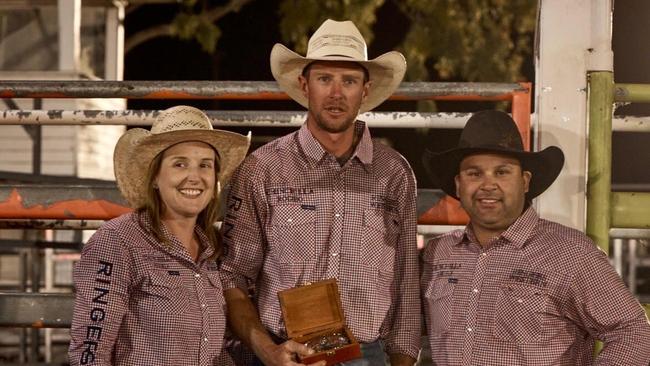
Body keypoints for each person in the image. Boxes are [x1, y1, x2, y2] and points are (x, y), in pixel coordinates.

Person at [220, 19, 420, 365]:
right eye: (325, 78)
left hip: (366, 354)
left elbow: (406, 285)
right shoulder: (263, 168)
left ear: (366, 90)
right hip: (282, 352)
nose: (337, 93)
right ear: (305, 84)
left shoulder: (394, 173)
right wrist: (268, 351)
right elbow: (233, 273)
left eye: (349, 80)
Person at [420, 110, 650, 365]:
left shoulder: (570, 252)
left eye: (502, 172)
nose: (488, 185)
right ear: (458, 184)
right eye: (474, 173)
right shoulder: (438, 253)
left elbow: (632, 331)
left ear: (525, 181)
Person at [68, 106, 250, 366]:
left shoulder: (215, 248)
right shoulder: (117, 241)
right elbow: (89, 353)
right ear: (154, 177)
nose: (194, 177)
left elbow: (218, 348)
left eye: (205, 165)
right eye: (180, 164)